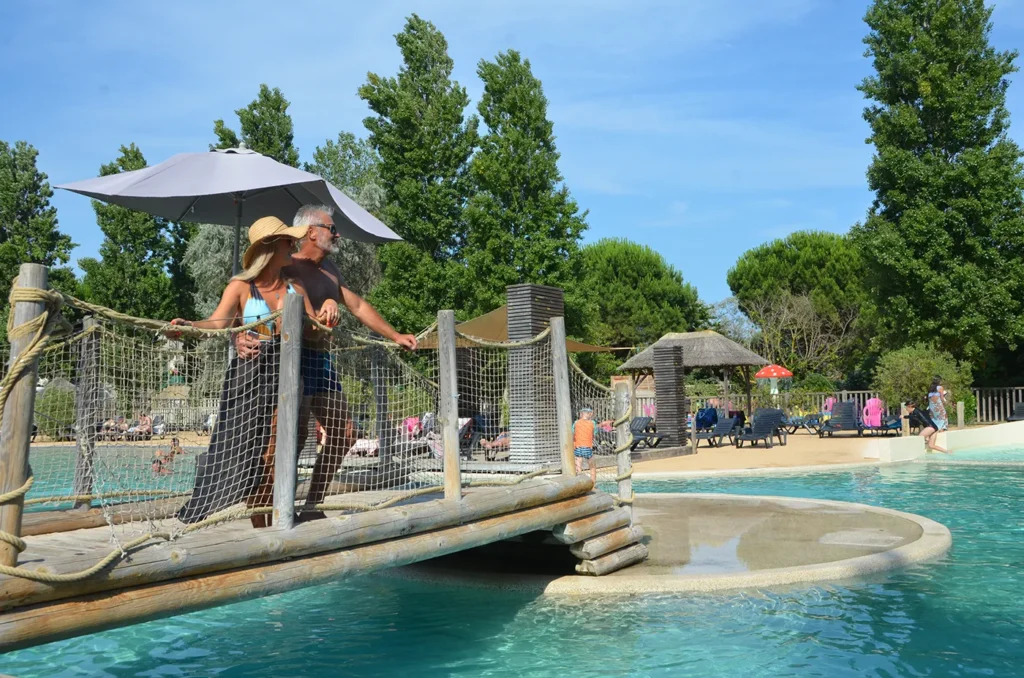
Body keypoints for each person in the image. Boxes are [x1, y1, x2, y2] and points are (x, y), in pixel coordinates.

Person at [235, 204, 417, 520]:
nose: (337, 234)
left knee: (345, 432)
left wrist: (395, 335)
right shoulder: (284, 264)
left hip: (320, 358)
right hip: (287, 358)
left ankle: (312, 506)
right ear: (311, 232)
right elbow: (250, 300)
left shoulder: (331, 271)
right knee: (289, 439)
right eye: (332, 228)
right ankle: (263, 511)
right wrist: (237, 337)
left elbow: (358, 305)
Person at [169, 216, 317, 528]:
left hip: (290, 374)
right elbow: (217, 324)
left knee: (283, 451)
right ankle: (261, 526)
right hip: (249, 375)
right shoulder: (241, 286)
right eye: (288, 240)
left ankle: (276, 521)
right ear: (270, 246)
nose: (294, 245)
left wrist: (330, 310)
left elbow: (317, 334)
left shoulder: (296, 287)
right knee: (246, 452)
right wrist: (188, 328)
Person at [573, 406, 598, 484]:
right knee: (592, 466)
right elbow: (594, 435)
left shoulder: (576, 423)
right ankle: (593, 482)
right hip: (588, 447)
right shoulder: (592, 423)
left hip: (578, 447)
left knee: (578, 464)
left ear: (581, 414)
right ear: (590, 414)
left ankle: (579, 481)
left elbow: (573, 434)